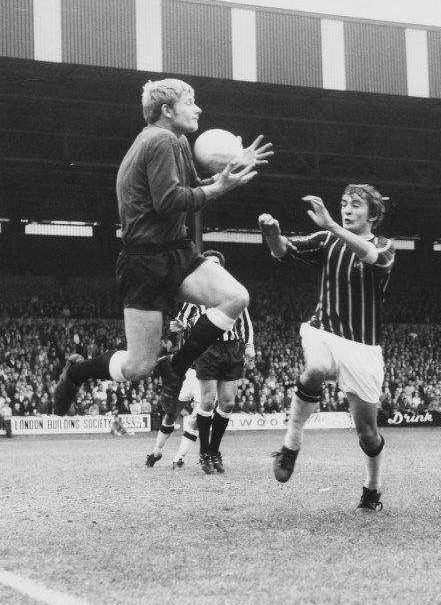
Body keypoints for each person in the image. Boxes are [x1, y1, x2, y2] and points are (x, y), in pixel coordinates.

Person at [51, 79, 271, 426]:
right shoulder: (160, 140)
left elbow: (192, 189)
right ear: (167, 110)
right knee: (138, 366)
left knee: (235, 297)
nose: (198, 108)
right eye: (190, 101)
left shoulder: (177, 141)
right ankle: (77, 371)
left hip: (176, 251)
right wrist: (218, 188)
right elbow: (168, 201)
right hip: (145, 260)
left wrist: (229, 171)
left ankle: (176, 364)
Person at [260, 184, 396, 513]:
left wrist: (333, 224)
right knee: (316, 369)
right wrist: (272, 234)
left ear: (373, 215)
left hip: (363, 347)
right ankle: (291, 444)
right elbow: (283, 251)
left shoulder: (387, 246)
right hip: (324, 331)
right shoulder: (326, 241)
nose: (347, 210)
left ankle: (371, 489)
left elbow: (373, 258)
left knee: (368, 435)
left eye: (355, 205)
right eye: (343, 204)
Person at [147, 250, 256, 473]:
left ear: (222, 268)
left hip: (232, 349)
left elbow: (245, 318)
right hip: (206, 351)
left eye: (218, 264)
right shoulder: (197, 296)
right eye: (210, 264)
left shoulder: (233, 290)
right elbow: (181, 322)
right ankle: (204, 452)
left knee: (227, 403)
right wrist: (179, 326)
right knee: (206, 402)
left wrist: (249, 344)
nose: (214, 267)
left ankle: (213, 451)